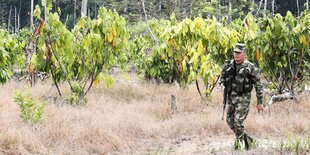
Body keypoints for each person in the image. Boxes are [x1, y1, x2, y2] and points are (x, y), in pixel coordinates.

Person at [220, 43, 264, 150]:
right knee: (230, 121)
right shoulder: (228, 65)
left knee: (237, 122)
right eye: (235, 52)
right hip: (231, 98)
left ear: (244, 54)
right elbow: (222, 78)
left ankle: (239, 146)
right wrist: (222, 86)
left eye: (239, 53)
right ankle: (249, 140)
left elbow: (258, 85)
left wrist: (259, 102)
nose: (236, 55)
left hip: (243, 98)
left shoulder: (250, 67)